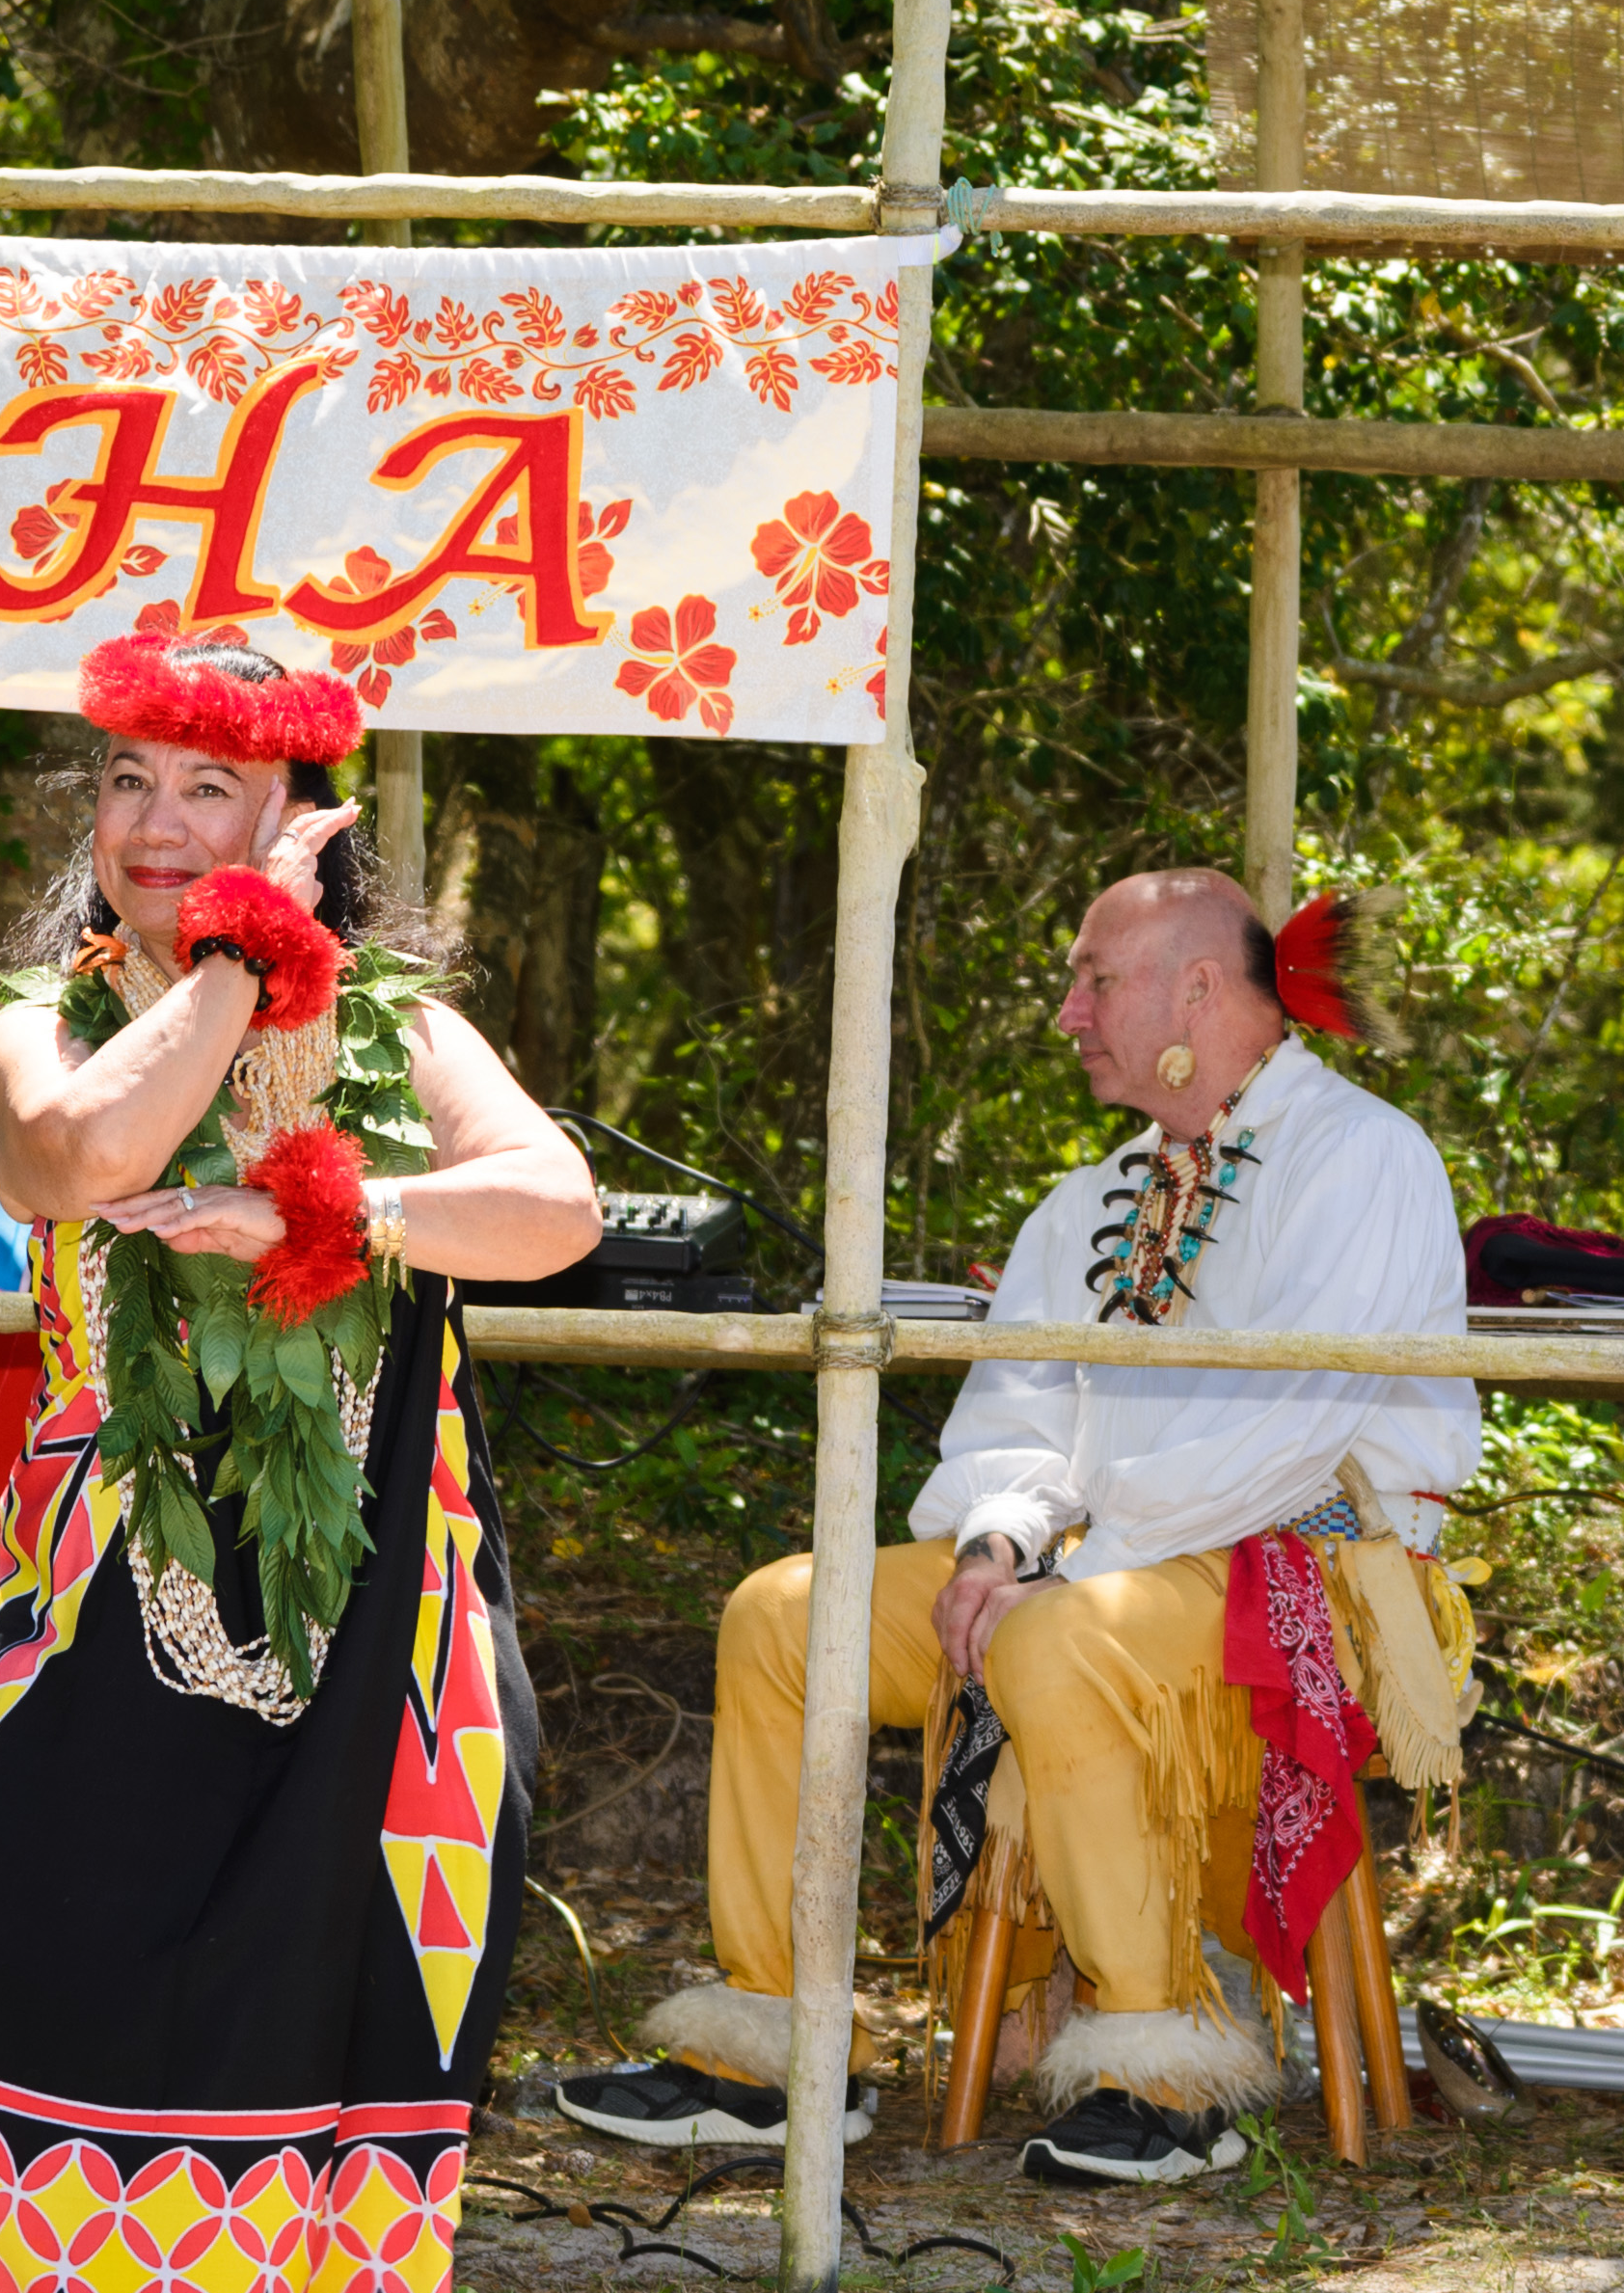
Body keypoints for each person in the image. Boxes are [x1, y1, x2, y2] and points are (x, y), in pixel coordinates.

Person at [0, 631, 598, 2293]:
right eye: (130, 781)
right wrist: (237, 960)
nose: (152, 822)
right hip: (101, 1586)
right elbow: (79, 1158)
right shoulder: (42, 1015)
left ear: (297, 812)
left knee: (298, 2002)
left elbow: (553, 1206)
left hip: (365, 1604)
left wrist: (335, 1209)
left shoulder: (396, 1031)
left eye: (207, 790)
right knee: (45, 1957)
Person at [558, 871, 1478, 2188]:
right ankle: (772, 2049)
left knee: (1056, 1641)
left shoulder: (1363, 1157)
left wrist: (1078, 1566)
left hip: (1308, 1577)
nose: (1069, 1012)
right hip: (1098, 1571)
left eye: (1095, 978)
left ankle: (1161, 2075)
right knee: (785, 1614)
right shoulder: (1091, 1197)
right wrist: (998, 1543)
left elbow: (1294, 1430)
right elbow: (1015, 1414)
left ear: (1197, 990)